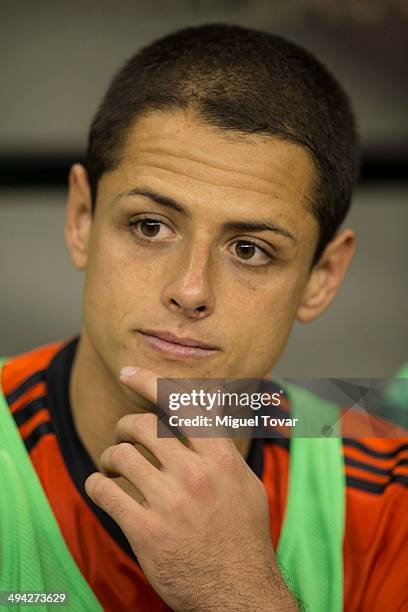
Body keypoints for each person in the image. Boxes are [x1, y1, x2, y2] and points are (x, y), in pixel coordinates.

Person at [0, 23, 406, 612]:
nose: (190, 291)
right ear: (82, 217)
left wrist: (238, 592)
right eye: (149, 226)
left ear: (322, 277)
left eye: (249, 249)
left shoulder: (387, 479)